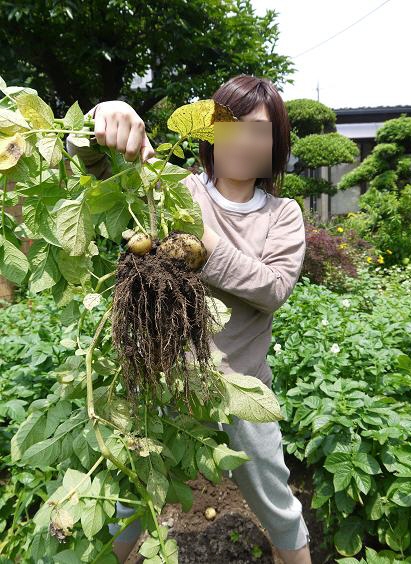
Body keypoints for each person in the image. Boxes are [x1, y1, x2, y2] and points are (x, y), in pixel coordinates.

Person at [66, 74, 311, 564]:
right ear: (209, 132)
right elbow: (103, 166)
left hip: (240, 386)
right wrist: (100, 120)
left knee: (277, 503)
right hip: (165, 379)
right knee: (131, 499)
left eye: (259, 131)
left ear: (276, 144)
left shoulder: (282, 214)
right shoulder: (175, 187)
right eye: (231, 126)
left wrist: (203, 245)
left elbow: (273, 288)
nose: (243, 141)